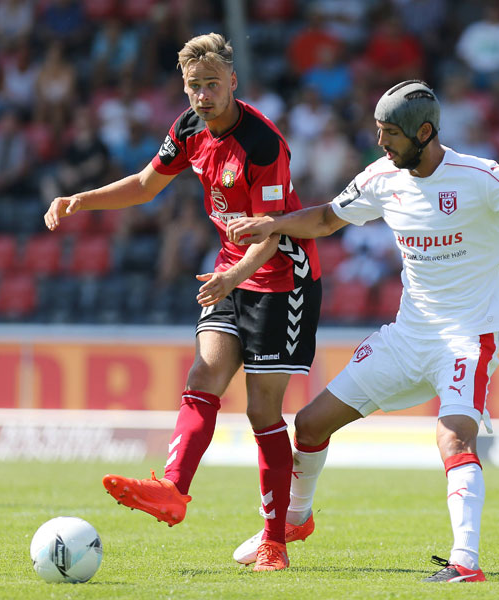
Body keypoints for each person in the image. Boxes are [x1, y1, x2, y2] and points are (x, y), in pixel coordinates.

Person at [227, 80, 499, 582]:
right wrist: (272, 224)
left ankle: (465, 563)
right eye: (378, 132)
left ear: (424, 132)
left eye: (391, 135)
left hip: (467, 337)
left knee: (453, 437)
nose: (381, 143)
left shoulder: (482, 177)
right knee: (311, 424)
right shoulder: (381, 177)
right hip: (407, 336)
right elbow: (324, 219)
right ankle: (295, 522)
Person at [43, 33, 322, 572]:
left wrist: (234, 275)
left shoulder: (262, 144)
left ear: (233, 83)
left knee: (263, 409)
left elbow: (272, 231)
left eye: (212, 84)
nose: (202, 95)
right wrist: (81, 200)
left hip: (284, 279)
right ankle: (172, 488)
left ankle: (275, 540)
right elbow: (147, 184)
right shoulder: (188, 128)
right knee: (203, 377)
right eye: (194, 86)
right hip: (230, 272)